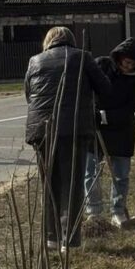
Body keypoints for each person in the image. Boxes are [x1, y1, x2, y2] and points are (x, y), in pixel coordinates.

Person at [24, 26, 112, 250]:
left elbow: (28, 94)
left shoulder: (35, 60)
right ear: (71, 41)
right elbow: (106, 89)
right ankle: (70, 240)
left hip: (41, 130)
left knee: (49, 183)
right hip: (72, 128)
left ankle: (51, 238)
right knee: (71, 185)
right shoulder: (83, 57)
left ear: (48, 41)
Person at [84, 38, 135, 230]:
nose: (128, 67)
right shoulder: (101, 64)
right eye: (126, 62)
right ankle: (94, 212)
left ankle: (118, 212)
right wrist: (92, 113)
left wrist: (105, 116)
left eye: (132, 64)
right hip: (95, 127)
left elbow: (132, 106)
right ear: (119, 57)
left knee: (121, 175)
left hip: (121, 129)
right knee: (91, 172)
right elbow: (85, 88)